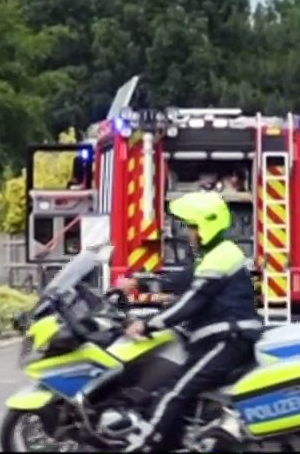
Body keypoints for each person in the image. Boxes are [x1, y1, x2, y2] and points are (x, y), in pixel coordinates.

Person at [97, 191, 263, 452]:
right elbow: (181, 281)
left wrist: (148, 324)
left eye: (192, 227)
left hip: (228, 341)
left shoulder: (220, 258)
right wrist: (137, 283)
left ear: (206, 227)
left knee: (174, 392)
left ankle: (143, 445)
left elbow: (190, 302)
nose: (189, 234)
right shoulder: (217, 255)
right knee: (170, 386)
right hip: (221, 340)